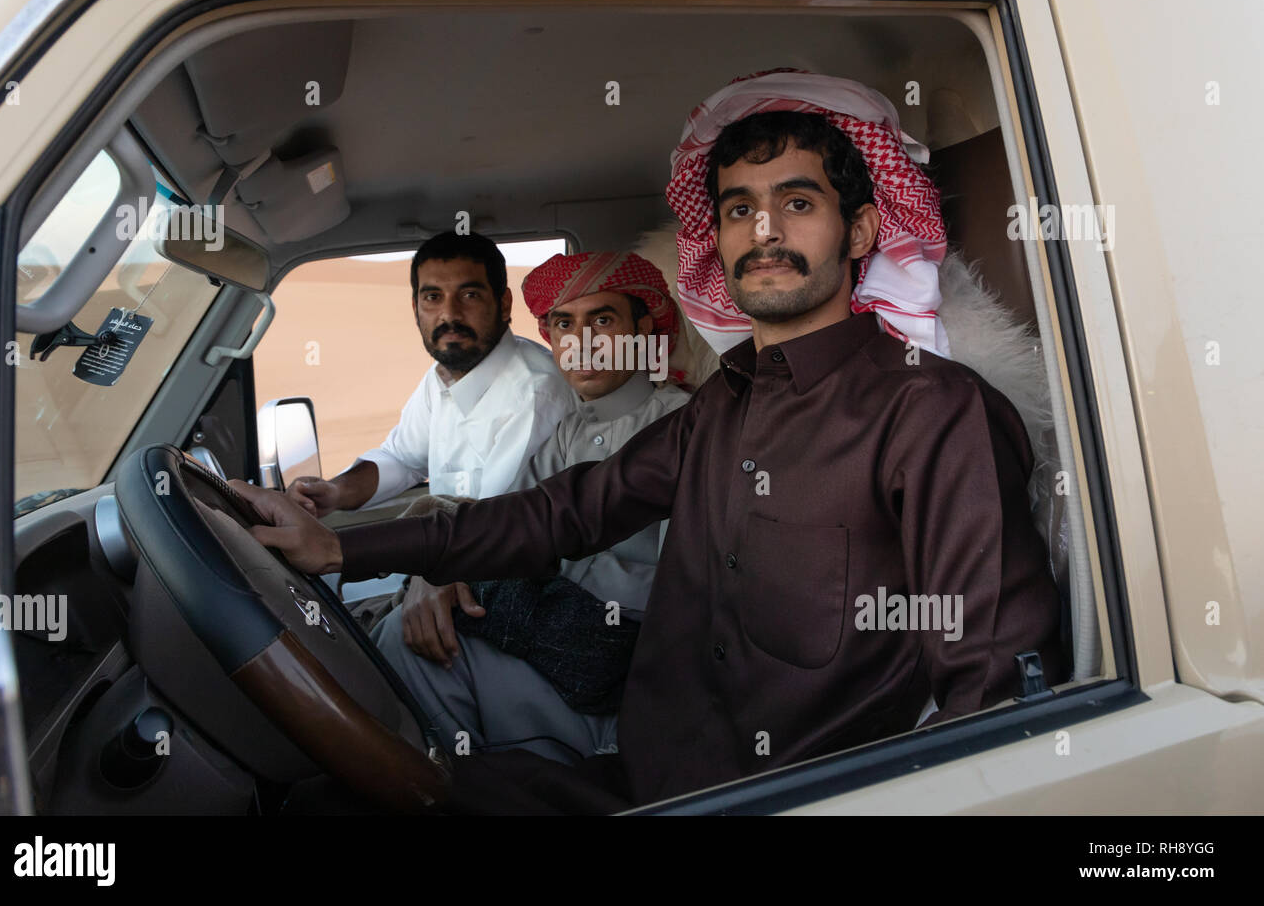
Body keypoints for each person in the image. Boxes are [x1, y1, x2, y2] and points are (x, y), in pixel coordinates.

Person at [231, 69, 1066, 810]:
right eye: (741, 207)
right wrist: (340, 548)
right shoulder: (719, 407)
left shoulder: (932, 413)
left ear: (857, 232)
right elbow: (558, 514)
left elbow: (991, 707)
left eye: (798, 202)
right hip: (642, 775)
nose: (765, 230)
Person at [367, 251, 691, 764]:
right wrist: (441, 564)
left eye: (601, 320)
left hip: (625, 657)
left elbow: (685, 591)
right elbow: (509, 523)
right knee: (402, 624)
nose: (580, 343)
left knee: (413, 645)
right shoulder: (569, 432)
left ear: (643, 328)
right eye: (564, 324)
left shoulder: (683, 426)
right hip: (558, 623)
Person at [286, 231, 574, 519]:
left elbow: (490, 526)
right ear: (416, 308)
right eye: (433, 297)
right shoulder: (442, 377)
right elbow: (401, 459)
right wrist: (334, 492)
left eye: (469, 295)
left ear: (504, 304)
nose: (449, 314)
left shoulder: (536, 394)